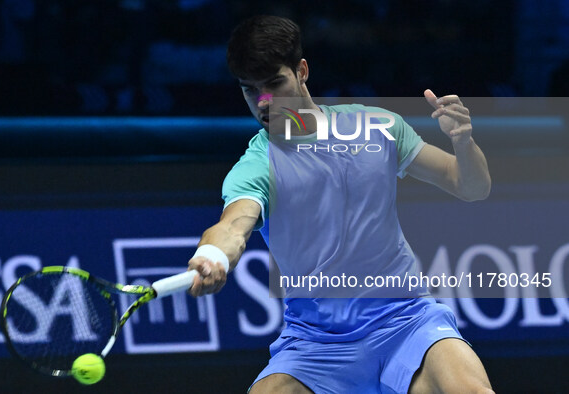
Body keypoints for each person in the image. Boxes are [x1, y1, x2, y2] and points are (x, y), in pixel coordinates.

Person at [186, 15, 493, 393]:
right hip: (316, 345)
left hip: (406, 323)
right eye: (250, 90)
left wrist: (464, 143)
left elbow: (470, 186)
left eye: (273, 84)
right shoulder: (255, 166)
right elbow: (234, 226)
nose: (264, 102)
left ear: (302, 71)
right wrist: (213, 255)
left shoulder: (377, 127)